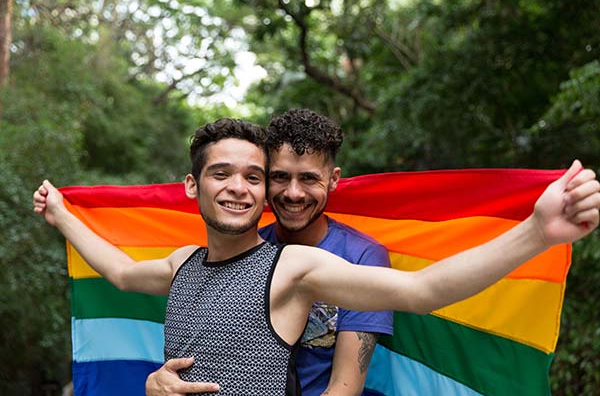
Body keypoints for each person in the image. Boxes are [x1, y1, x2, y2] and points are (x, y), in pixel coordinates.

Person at [34, 119, 600, 396]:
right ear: (191, 186)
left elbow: (422, 291)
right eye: (221, 174)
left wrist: (536, 231)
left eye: (253, 176)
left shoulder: (291, 268)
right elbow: (116, 270)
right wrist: (62, 215)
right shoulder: (181, 263)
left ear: (263, 192)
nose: (239, 187)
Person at [147, 109, 393, 396]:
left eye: (309, 179)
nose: (293, 193)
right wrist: (158, 380)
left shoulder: (362, 256)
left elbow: (344, 388)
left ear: (334, 179)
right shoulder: (243, 247)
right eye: (280, 177)